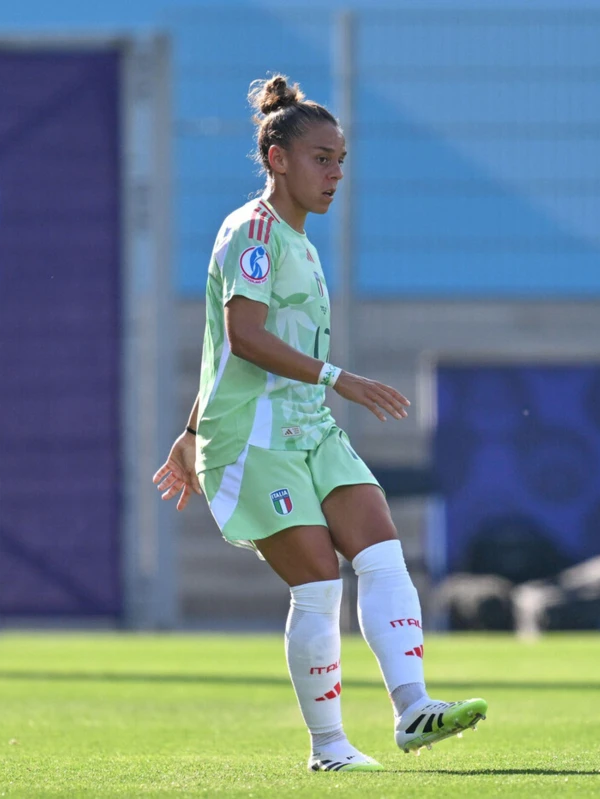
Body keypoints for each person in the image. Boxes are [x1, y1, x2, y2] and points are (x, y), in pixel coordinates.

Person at [152, 74, 487, 773]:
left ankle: (413, 706)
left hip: (308, 428)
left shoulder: (300, 242)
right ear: (278, 158)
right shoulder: (253, 231)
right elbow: (242, 337)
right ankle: (330, 748)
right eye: (320, 158)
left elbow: (221, 351)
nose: (335, 173)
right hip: (255, 437)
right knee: (318, 581)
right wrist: (340, 377)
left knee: (380, 544)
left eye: (341, 159)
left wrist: (185, 432)